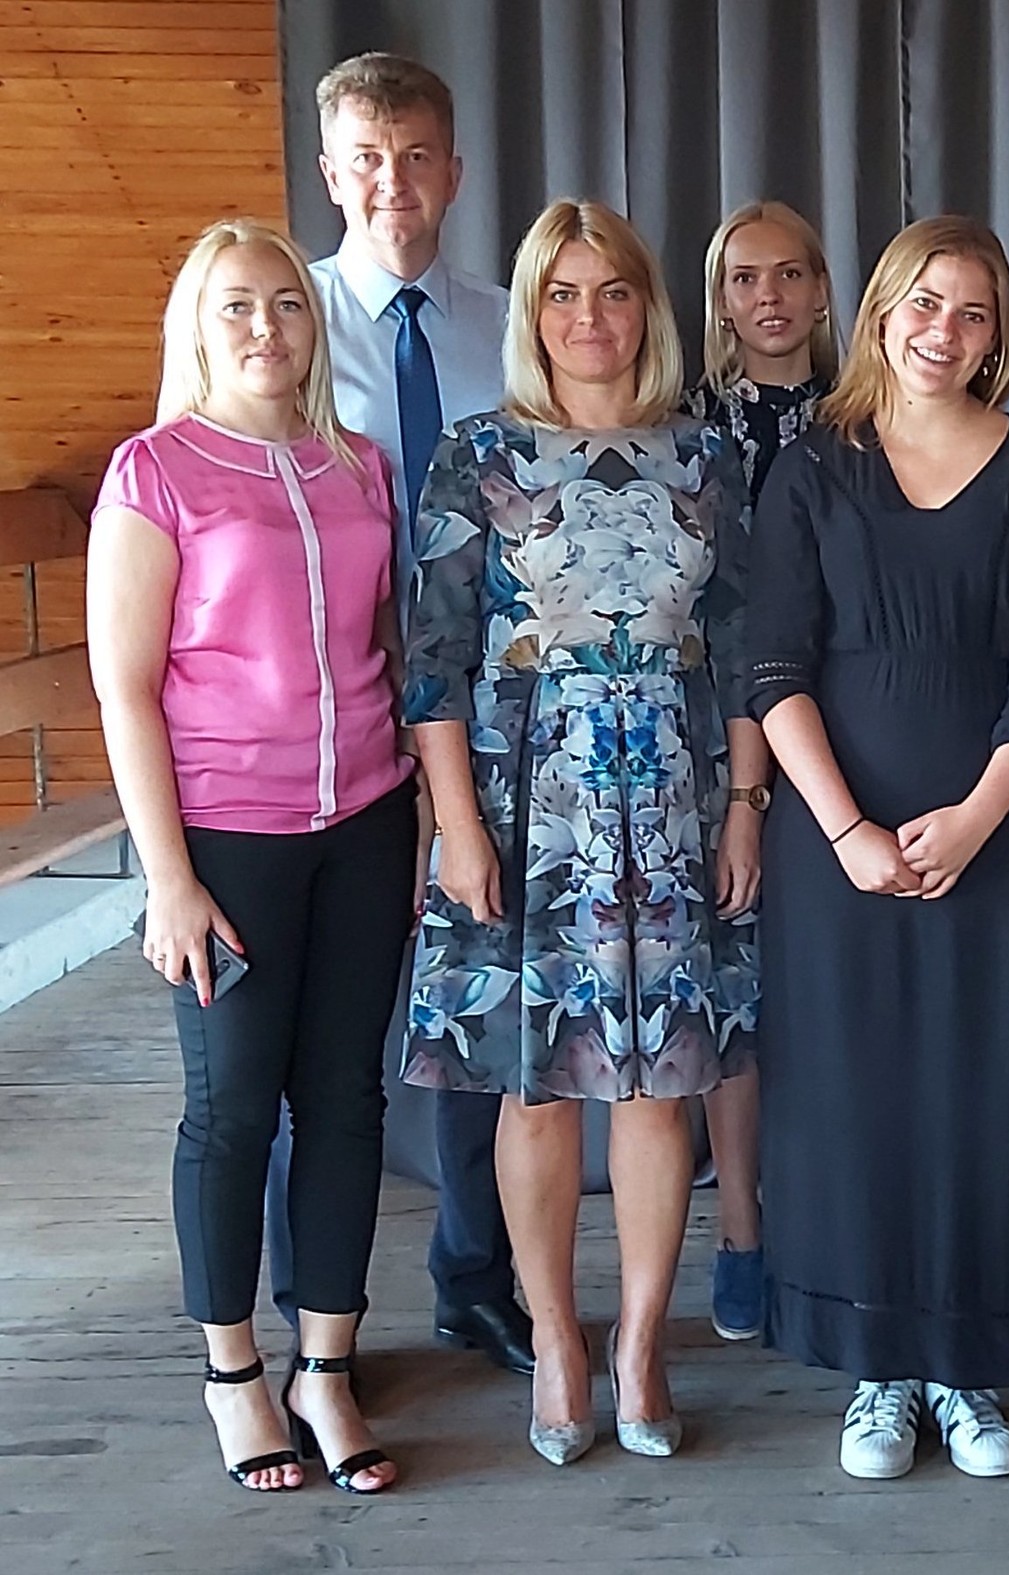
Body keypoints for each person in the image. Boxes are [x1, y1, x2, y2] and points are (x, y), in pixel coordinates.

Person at [402, 199, 759, 1466]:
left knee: (663, 1089)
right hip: (525, 806)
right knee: (535, 1086)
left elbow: (749, 650)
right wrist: (457, 826)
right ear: (531, 312)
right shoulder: (477, 453)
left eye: (612, 291)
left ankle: (641, 1343)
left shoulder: (706, 456)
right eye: (561, 293)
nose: (588, 316)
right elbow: (433, 663)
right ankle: (556, 1339)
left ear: (647, 309)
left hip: (674, 799)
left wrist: (747, 805)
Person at [749, 217, 1009, 1483]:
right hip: (837, 852)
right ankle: (879, 1372)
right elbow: (772, 668)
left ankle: (968, 1368)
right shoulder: (810, 467)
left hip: (1001, 845)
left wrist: (975, 819)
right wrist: (846, 829)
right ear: (883, 311)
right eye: (924, 304)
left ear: (1000, 334)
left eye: (972, 312)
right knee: (859, 1102)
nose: (943, 332)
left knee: (986, 1100)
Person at [90, 219, 417, 1495]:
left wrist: (418, 820)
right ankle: (234, 1372)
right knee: (231, 1110)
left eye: (284, 302)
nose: (266, 327)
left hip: (366, 825)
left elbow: (386, 651)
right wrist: (167, 877)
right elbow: (125, 689)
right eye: (236, 305)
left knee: (345, 1100)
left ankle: (326, 1365)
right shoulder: (155, 471)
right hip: (228, 838)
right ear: (198, 325)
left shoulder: (360, 467)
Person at [300, 51, 533, 1377]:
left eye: (417, 157)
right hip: (322, 720)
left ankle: (474, 1274)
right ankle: (308, 1318)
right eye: (368, 161)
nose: (394, 183)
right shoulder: (278, 321)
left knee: (469, 1000)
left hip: (482, 718)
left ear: (454, 170)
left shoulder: (508, 325)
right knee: (323, 1031)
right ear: (333, 174)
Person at [677, 198, 843, 1344]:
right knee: (732, 997)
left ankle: (831, 1221)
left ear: (822, 292)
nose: (769, 297)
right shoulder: (681, 427)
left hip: (849, 730)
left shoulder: (866, 416)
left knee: (831, 997)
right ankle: (741, 1232)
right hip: (708, 735)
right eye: (745, 278)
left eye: (789, 275)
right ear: (720, 298)